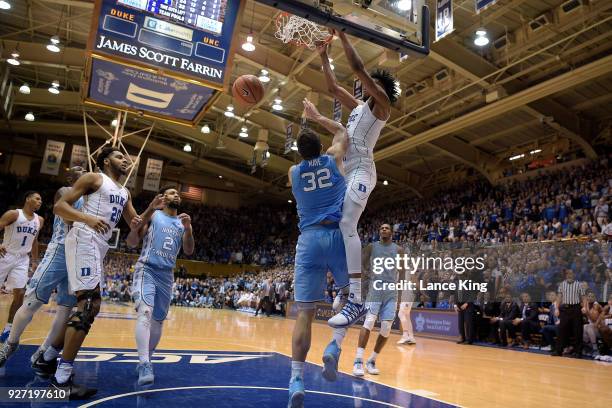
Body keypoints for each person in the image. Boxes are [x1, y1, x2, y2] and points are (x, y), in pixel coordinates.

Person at [43, 147, 161, 399]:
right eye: (120, 157)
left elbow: (134, 231)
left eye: (126, 157)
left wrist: (150, 209)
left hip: (99, 244)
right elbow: (59, 207)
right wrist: (86, 218)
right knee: (88, 304)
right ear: (106, 161)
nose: (126, 160)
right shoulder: (94, 178)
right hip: (84, 237)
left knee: (90, 305)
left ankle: (48, 356)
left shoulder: (125, 192)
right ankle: (60, 378)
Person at [318, 33, 399, 328]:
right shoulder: (357, 108)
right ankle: (346, 288)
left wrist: (341, 34)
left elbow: (358, 71)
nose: (367, 87)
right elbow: (331, 86)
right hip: (347, 173)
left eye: (372, 85)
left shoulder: (381, 106)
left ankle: (356, 300)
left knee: (346, 224)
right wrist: (322, 55)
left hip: (363, 171)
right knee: (332, 226)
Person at [287, 98, 349, 407]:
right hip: (337, 236)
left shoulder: (293, 173)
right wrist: (317, 115)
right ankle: (334, 348)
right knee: (355, 298)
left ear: (299, 153)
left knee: (305, 314)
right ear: (321, 146)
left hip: (308, 240)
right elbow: (342, 132)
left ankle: (296, 378)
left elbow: (306, 160)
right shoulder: (333, 158)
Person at [0, 167, 84, 369]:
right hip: (59, 252)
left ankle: (43, 351)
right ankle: (10, 344)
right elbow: (68, 218)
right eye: (79, 170)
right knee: (32, 301)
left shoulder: (92, 199)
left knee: (65, 308)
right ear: (71, 178)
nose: (85, 171)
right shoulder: (65, 191)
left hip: (78, 256)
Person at [126, 185, 194, 386]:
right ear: (163, 197)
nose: (177, 195)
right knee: (145, 313)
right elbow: (131, 241)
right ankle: (144, 363)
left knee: (158, 321)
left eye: (178, 194)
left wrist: (189, 229)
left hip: (167, 275)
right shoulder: (154, 215)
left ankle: (148, 357)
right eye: (173, 192)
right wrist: (148, 210)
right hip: (147, 269)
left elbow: (189, 250)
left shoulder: (182, 223)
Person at [353, 223, 405, 376]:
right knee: (368, 322)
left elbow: (402, 273)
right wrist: (366, 277)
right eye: (381, 228)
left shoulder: (399, 250)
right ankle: (358, 361)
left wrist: (400, 295)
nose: (383, 229)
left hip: (391, 292)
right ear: (379, 232)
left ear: (391, 232)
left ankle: (372, 360)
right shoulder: (371, 247)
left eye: (386, 228)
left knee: (386, 328)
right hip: (375, 289)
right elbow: (361, 264)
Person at [0, 191, 44, 343]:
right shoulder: (13, 214)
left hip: (22, 259)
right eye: (37, 198)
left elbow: (34, 241)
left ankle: (8, 328)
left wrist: (35, 261)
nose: (40, 202)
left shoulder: (40, 220)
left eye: (41, 200)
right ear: (27, 199)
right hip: (5, 254)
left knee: (20, 293)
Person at [553, 269, 587, 357]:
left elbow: (583, 297)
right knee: (562, 329)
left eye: (571, 273)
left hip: (576, 308)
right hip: (565, 308)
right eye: (567, 274)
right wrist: (556, 308)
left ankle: (578, 352)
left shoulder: (579, 284)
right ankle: (558, 350)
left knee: (577, 330)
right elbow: (559, 297)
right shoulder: (561, 284)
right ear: (565, 275)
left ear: (574, 275)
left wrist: (584, 307)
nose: (569, 275)